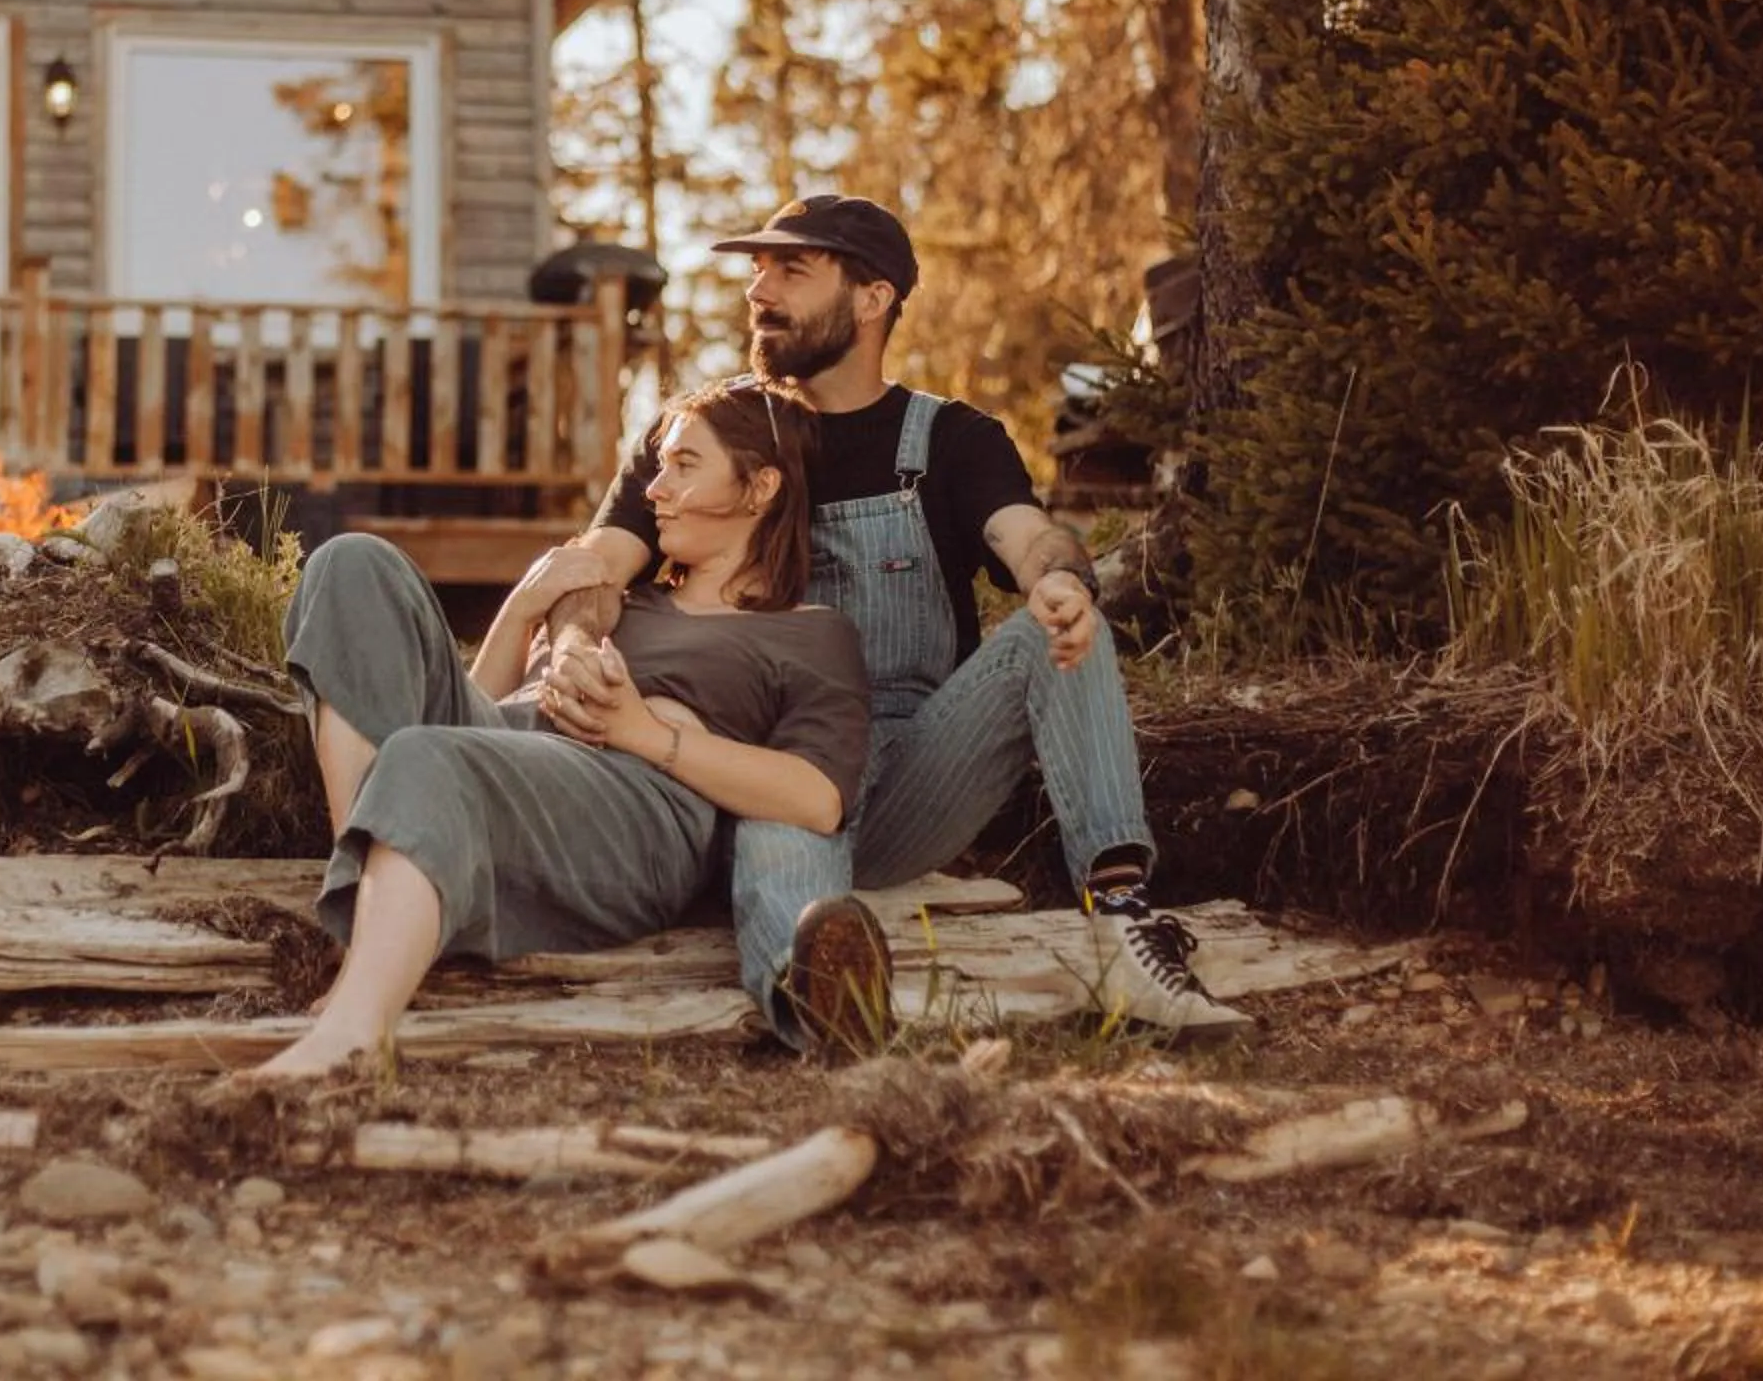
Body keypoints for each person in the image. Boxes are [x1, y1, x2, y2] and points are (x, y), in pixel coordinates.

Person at [526, 193, 1248, 1050]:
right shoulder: (704, 440)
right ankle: (814, 1008)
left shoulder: (950, 439)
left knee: (1052, 635)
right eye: (758, 267)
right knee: (782, 808)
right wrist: (571, 641)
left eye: (793, 269)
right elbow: (593, 564)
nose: (761, 289)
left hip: (903, 765)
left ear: (873, 299)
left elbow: (1027, 535)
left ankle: (1125, 927)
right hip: (739, 753)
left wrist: (1056, 582)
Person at [244, 382, 872, 1081]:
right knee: (350, 563)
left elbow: (818, 799)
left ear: (760, 488)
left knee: (426, 758)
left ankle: (353, 1036)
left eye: (685, 465)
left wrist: (644, 733)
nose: (655, 489)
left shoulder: (809, 634)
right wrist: (521, 612)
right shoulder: (618, 602)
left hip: (637, 806)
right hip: (514, 753)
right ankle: (368, 915)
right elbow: (480, 717)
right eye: (659, 465)